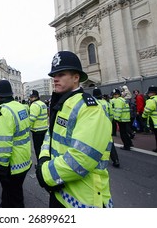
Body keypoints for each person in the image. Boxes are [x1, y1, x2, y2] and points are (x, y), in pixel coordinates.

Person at [36, 51, 113, 208]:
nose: (55, 79)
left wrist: (45, 174)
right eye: (54, 75)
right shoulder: (62, 104)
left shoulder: (90, 108)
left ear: (76, 78)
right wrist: (44, 159)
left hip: (84, 200)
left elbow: (81, 158)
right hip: (59, 190)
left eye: (61, 74)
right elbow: (50, 137)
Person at [0, 79, 32, 208]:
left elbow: (4, 142)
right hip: (24, 158)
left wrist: (2, 165)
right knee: (14, 190)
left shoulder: (3, 111)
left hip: (12, 164)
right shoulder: (20, 106)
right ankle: (4, 204)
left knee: (15, 196)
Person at [93, 88, 120, 167]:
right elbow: (111, 114)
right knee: (110, 142)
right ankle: (116, 160)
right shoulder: (107, 103)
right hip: (106, 125)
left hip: (97, 126)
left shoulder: (94, 103)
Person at [28, 89, 48, 162]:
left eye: (31, 97)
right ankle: (44, 161)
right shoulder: (42, 104)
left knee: (38, 148)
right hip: (44, 129)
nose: (30, 98)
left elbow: (32, 119)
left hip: (37, 130)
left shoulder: (34, 105)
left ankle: (40, 163)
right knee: (44, 148)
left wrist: (27, 128)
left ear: (34, 97)